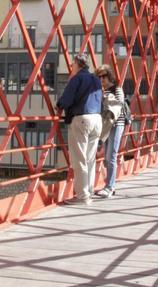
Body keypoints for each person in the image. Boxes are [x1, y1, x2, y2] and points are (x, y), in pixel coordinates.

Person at [57, 54, 103, 205]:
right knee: (90, 159)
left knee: (79, 159)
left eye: (72, 64)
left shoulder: (76, 78)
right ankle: (88, 191)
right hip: (97, 119)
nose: (71, 67)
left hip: (82, 119)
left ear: (77, 64)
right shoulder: (96, 79)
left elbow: (66, 99)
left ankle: (82, 196)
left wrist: (59, 105)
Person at [95, 65, 126, 199]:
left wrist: (106, 99)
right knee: (107, 157)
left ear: (109, 76)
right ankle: (109, 186)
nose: (101, 79)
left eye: (103, 76)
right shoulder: (104, 90)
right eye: (99, 77)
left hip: (116, 124)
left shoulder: (117, 89)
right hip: (107, 125)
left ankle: (110, 187)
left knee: (111, 155)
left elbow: (120, 105)